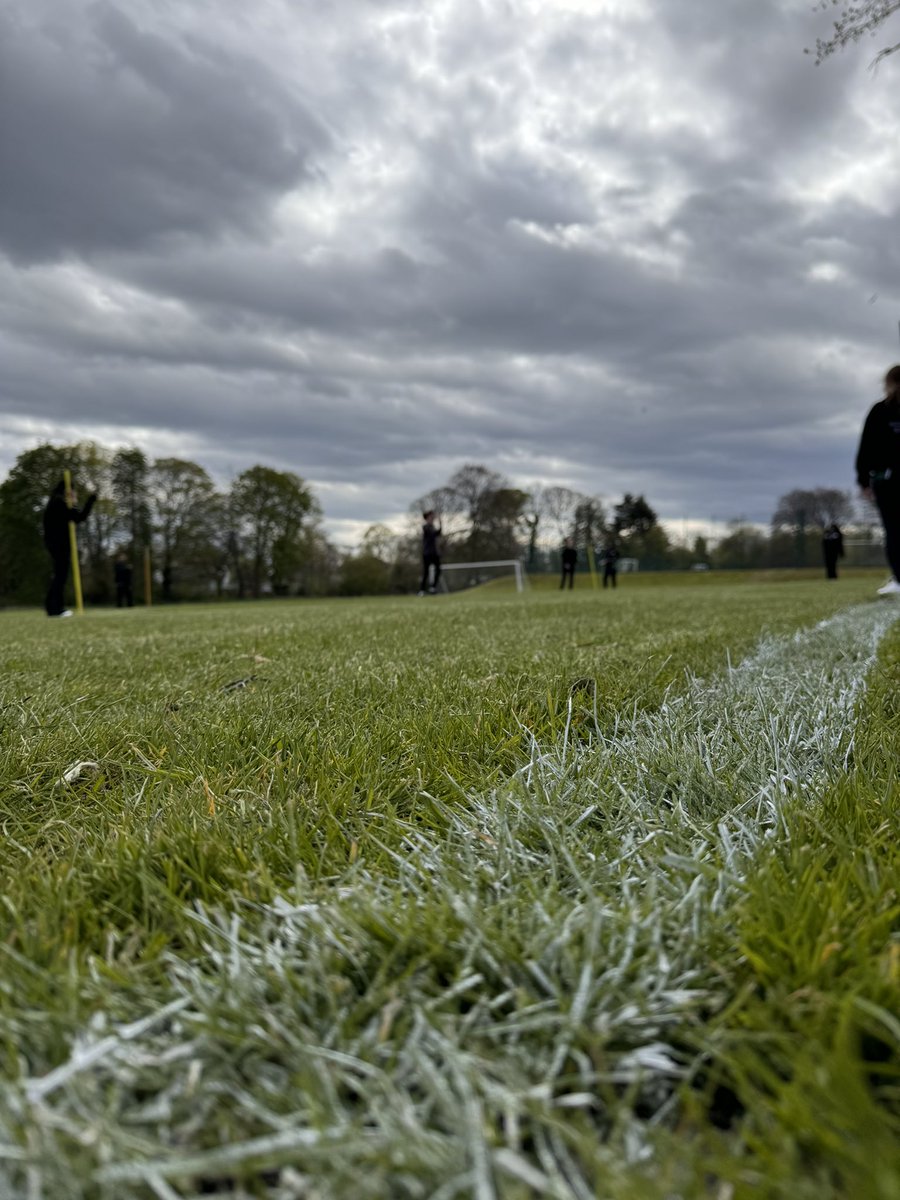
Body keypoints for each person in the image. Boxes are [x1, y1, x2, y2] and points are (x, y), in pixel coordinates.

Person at [856, 364, 900, 596]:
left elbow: (866, 448)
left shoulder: (880, 411)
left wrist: (863, 480)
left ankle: (899, 578)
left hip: (888, 481)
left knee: (894, 530)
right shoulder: (881, 411)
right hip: (888, 480)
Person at [43, 479, 96, 617]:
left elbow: (75, 517)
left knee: (58, 575)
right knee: (60, 575)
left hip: (55, 543)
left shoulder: (55, 502)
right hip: (59, 544)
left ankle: (52, 607)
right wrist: (90, 501)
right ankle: (56, 608)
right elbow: (79, 517)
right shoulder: (60, 503)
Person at [418, 510, 442, 595]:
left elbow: (438, 533)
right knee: (426, 572)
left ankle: (433, 587)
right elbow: (432, 534)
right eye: (431, 516)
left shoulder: (433, 527)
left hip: (434, 552)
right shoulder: (426, 527)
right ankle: (422, 590)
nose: (432, 517)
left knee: (438, 570)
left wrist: (440, 523)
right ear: (427, 517)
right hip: (427, 553)